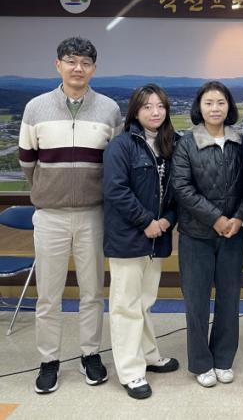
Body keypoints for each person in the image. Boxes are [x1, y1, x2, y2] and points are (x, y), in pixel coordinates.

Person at [18, 36, 122, 394]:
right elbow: (27, 162)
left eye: (85, 63)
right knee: (48, 294)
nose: (78, 68)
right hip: (50, 215)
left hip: (94, 214)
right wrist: (50, 189)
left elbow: (115, 163)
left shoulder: (109, 109)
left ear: (94, 68)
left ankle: (90, 354)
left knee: (92, 291)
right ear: (58, 65)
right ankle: (49, 360)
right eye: (71, 61)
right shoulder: (36, 108)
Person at [172, 81, 243, 387]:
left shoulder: (240, 141)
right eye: (209, 103)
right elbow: (182, 187)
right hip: (196, 235)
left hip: (233, 232)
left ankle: (223, 358)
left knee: (229, 299)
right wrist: (216, 218)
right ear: (199, 107)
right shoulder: (186, 143)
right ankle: (201, 362)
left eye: (221, 102)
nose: (215, 108)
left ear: (229, 107)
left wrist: (239, 218)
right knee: (197, 301)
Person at [102, 84, 180, 399]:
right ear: (135, 111)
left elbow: (177, 192)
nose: (155, 112)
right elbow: (115, 190)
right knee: (126, 307)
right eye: (147, 106)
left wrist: (167, 220)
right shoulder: (121, 145)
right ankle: (130, 372)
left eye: (160, 106)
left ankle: (148, 355)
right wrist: (146, 221)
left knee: (145, 302)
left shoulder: (172, 144)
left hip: (157, 238)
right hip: (129, 238)